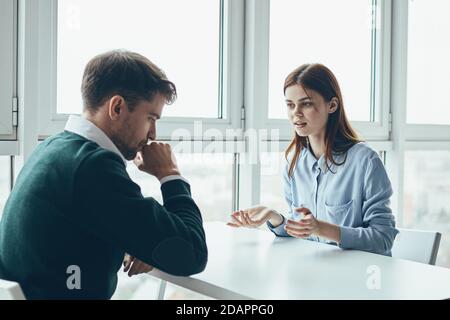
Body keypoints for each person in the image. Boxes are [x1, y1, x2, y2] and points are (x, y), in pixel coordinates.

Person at [0, 50, 208, 299]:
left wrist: (130, 239)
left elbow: (79, 228)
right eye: (150, 117)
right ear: (117, 107)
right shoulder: (93, 166)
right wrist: (170, 174)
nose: (153, 133)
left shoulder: (54, 148)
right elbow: (192, 254)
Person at [228, 63, 398, 256]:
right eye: (290, 105)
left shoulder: (365, 161)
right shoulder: (294, 163)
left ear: (332, 105)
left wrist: (322, 229)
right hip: (315, 274)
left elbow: (383, 239)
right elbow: (301, 230)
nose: (296, 113)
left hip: (360, 277)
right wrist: (274, 217)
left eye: (306, 103)